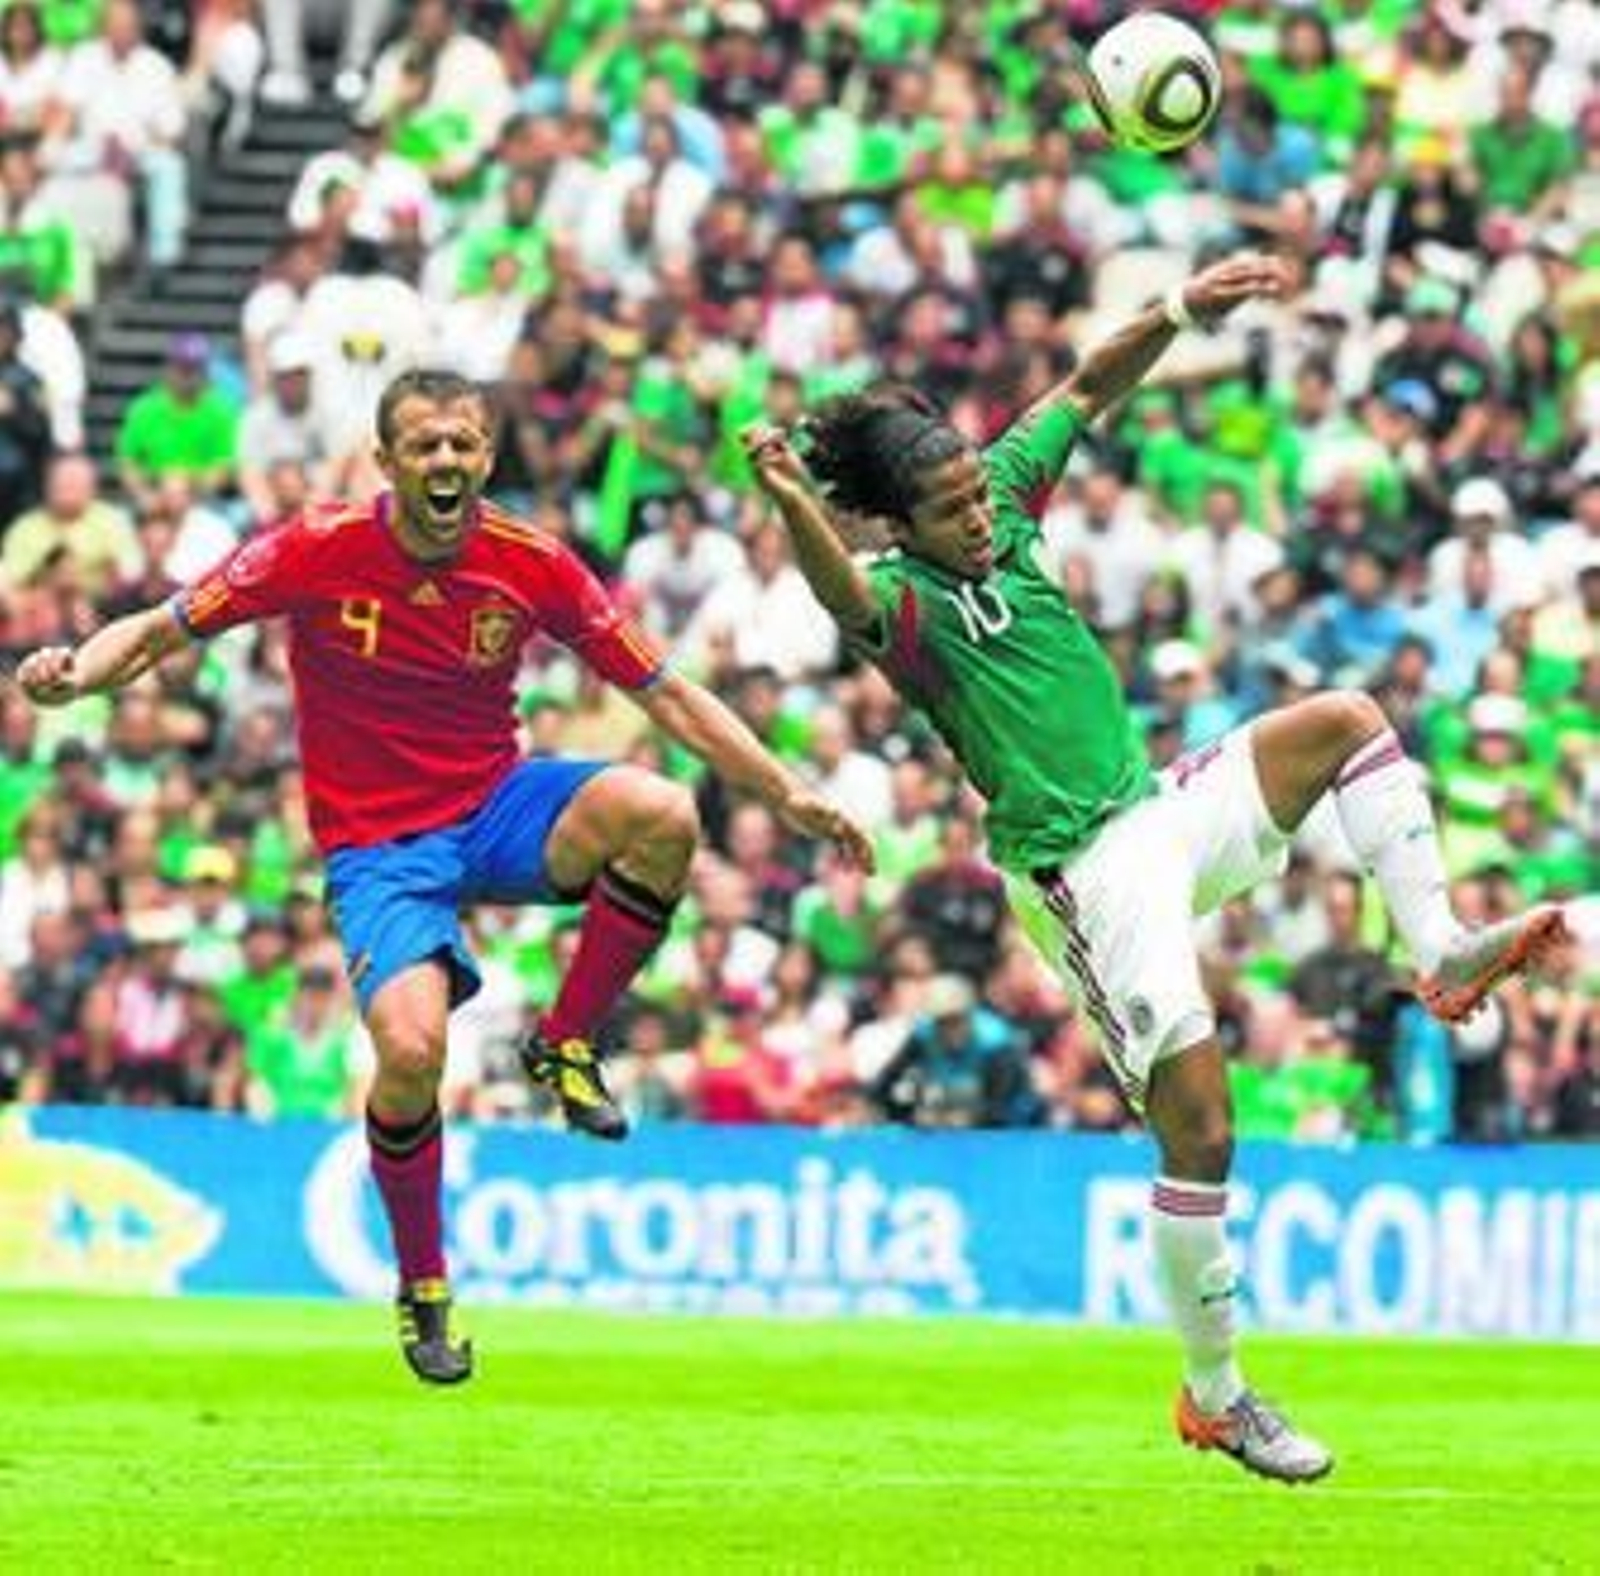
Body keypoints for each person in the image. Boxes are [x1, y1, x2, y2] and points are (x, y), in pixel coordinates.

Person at [741, 251, 1572, 1485]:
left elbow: (1087, 383)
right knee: (1202, 1136)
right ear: (897, 528)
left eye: (978, 490)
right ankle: (1217, 1394)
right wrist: (786, 502)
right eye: (955, 508)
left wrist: (1187, 307)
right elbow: (830, 587)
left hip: (1159, 809)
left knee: (1344, 717)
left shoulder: (1009, 503)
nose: (979, 513)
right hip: (1083, 872)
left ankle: (1440, 950)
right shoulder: (902, 609)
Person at [17, 367, 873, 1387]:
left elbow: (668, 693)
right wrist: (78, 671)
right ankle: (424, 1287)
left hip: (494, 808)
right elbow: (161, 626)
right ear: (387, 462)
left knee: (663, 814)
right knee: (411, 1051)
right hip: (379, 849)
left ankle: (563, 1040)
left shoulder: (531, 563)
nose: (445, 460)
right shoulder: (315, 547)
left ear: (488, 455)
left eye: (462, 443)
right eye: (423, 444)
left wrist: (785, 792)